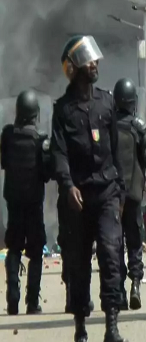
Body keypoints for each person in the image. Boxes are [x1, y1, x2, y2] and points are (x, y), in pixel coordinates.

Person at [51, 35, 128, 342]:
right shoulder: (62, 110)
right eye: (87, 60)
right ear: (74, 68)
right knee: (78, 261)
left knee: (111, 253)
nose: (94, 63)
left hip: (107, 191)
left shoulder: (107, 102)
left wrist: (120, 189)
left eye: (94, 58)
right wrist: (68, 186)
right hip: (78, 198)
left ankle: (112, 325)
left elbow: (115, 150)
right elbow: (58, 153)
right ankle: (81, 325)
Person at [2, 90, 51, 315]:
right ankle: (32, 302)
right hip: (33, 203)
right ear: (35, 114)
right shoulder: (40, 140)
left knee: (13, 247)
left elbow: (4, 163)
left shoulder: (7, 135)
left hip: (13, 201)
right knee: (35, 251)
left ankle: (13, 296)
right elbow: (47, 173)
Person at [113, 77, 146, 311]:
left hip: (113, 194)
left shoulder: (106, 124)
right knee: (135, 243)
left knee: (115, 244)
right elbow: (145, 158)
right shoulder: (140, 127)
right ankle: (136, 283)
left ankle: (119, 292)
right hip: (134, 193)